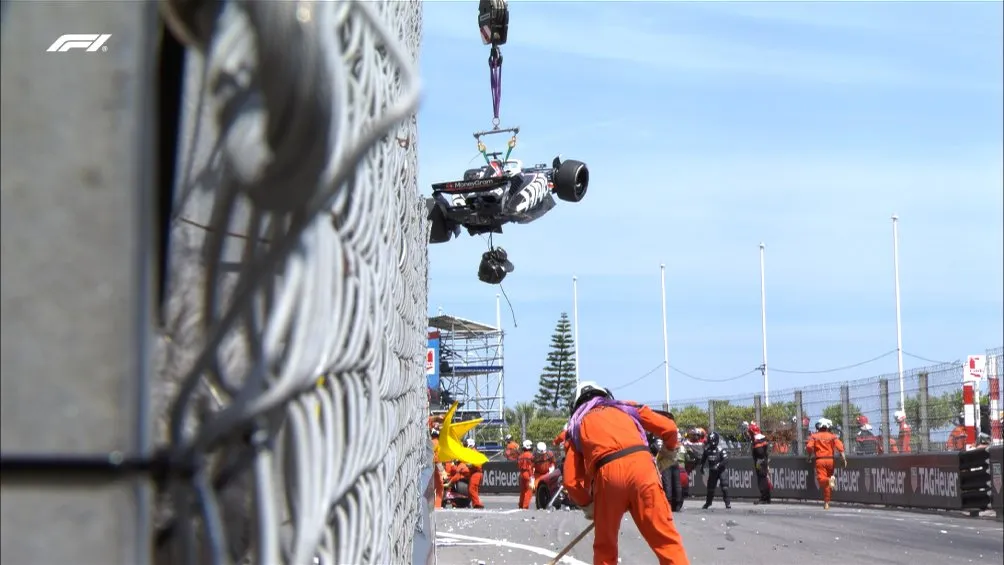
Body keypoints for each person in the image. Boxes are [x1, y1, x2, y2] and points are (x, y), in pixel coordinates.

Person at [562, 381, 690, 565]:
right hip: (643, 469)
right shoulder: (627, 407)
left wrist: (588, 505)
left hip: (607, 478)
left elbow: (571, 481)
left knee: (605, 550)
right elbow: (669, 428)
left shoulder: (576, 425)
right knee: (667, 542)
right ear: (606, 396)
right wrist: (668, 451)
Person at [806, 417, 846, 510]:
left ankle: (828, 480)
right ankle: (826, 503)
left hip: (820, 460)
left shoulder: (814, 436)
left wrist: (808, 457)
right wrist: (843, 457)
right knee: (827, 485)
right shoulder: (832, 436)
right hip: (830, 460)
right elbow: (840, 446)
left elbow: (809, 447)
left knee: (821, 480)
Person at [699, 432, 731, 510]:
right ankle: (708, 502)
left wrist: (719, 465)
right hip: (712, 471)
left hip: (721, 470)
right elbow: (703, 459)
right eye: (711, 442)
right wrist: (702, 467)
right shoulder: (707, 449)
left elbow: (726, 459)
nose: (712, 444)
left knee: (724, 486)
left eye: (713, 442)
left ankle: (727, 503)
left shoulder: (721, 449)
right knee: (710, 488)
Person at [748, 422, 771, 505]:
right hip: (764, 461)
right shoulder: (762, 438)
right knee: (764, 478)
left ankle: (764, 498)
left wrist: (758, 462)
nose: (749, 434)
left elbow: (760, 452)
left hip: (760, 462)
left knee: (762, 480)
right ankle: (767, 497)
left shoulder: (757, 440)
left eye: (750, 432)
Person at [465, 438, 485, 509]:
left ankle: (477, 504)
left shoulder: (474, 452)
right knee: (473, 490)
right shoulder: (472, 452)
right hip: (475, 473)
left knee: (471, 489)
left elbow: (477, 464)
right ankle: (475, 504)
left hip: (476, 473)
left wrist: (470, 464)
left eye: (466, 444)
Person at [517, 439, 535, 509]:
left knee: (523, 491)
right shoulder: (531, 456)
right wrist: (531, 477)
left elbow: (518, 466)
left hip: (522, 474)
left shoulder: (520, 456)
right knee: (528, 492)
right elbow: (531, 467)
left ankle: (521, 505)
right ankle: (525, 506)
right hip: (528, 473)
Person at [431, 427, 444, 508]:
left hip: (430, 465)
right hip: (436, 464)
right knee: (439, 486)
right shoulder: (436, 442)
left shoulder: (430, 442)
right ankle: (437, 505)